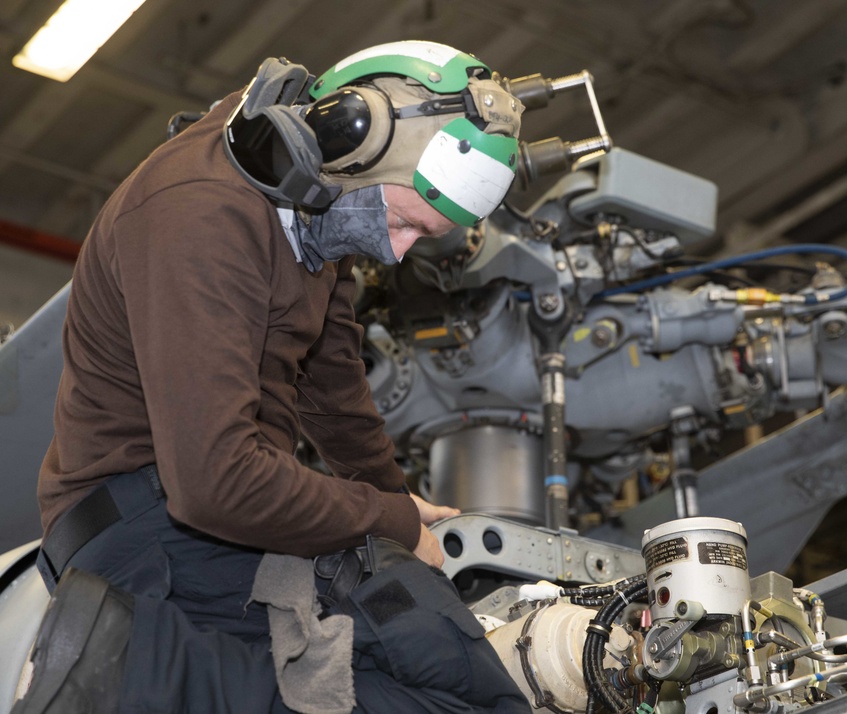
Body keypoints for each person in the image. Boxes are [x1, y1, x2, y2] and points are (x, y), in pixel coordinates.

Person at [13, 40, 529, 713]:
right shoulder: (198, 212)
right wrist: (387, 521)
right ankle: (126, 668)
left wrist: (395, 500)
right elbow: (215, 483)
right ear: (352, 134)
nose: (395, 251)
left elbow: (334, 378)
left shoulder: (311, 196)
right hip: (152, 532)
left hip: (209, 520)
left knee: (457, 667)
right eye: (403, 222)